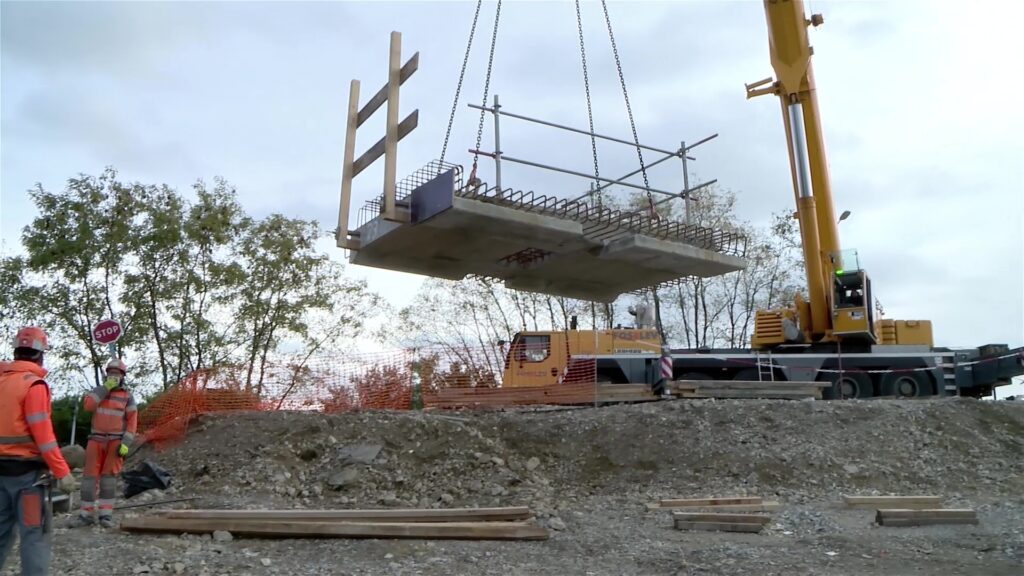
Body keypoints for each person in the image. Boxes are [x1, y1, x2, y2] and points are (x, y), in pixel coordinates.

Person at [0, 326, 77, 576]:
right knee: (34, 535)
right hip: (27, 479)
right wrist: (62, 471)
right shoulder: (34, 386)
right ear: (40, 353)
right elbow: (43, 436)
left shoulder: (2, 381)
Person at [68, 358, 137, 529]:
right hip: (96, 440)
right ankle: (86, 515)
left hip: (115, 442)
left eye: (117, 374)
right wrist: (104, 388)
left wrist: (126, 443)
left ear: (123, 377)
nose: (114, 376)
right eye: (111, 373)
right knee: (89, 479)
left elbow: (132, 423)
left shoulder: (127, 397)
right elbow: (88, 405)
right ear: (106, 375)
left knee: (109, 479)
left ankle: (106, 515)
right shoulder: (98, 392)